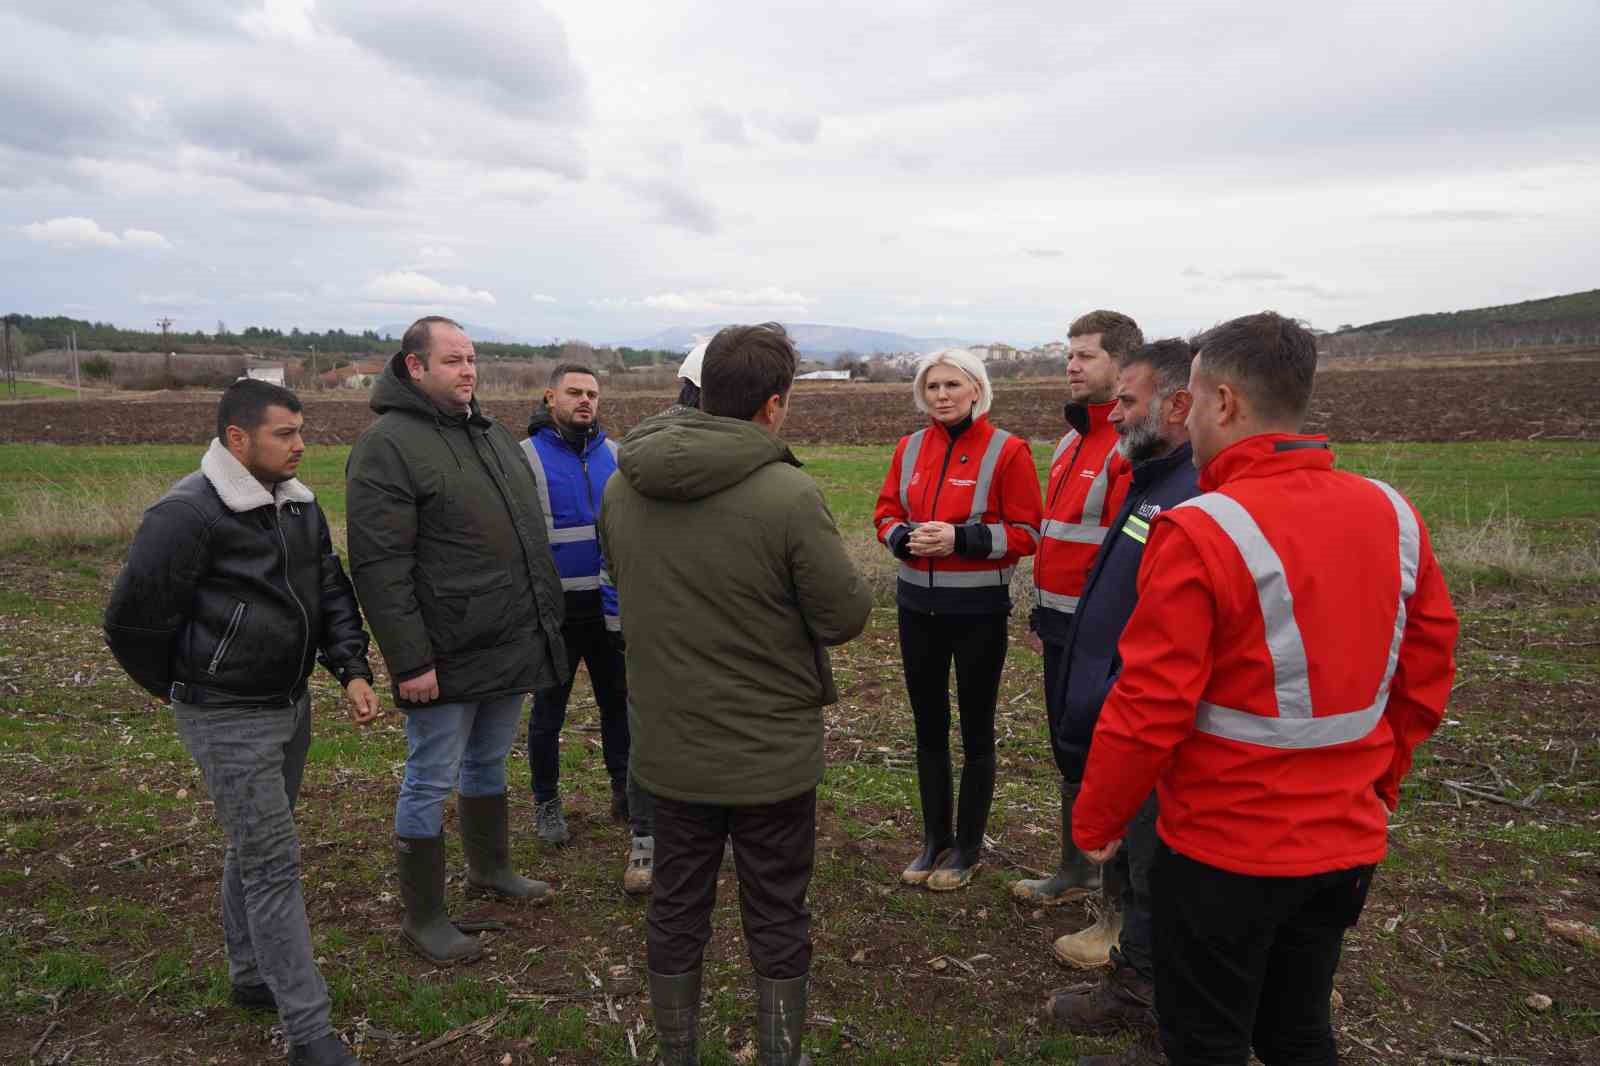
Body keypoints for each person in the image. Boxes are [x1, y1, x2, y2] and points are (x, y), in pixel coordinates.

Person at [1072, 312, 1460, 1065]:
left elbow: (1150, 704)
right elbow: (1426, 673)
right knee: (1298, 1029)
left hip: (1223, 849)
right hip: (1345, 843)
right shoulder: (1394, 513)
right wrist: (1382, 778)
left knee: (1205, 1038)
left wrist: (1098, 818)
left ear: (1222, 403)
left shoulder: (1200, 528)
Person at [601, 323, 871, 1066]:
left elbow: (626, 587)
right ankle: (781, 1053)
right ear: (774, 405)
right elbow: (843, 616)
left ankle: (676, 1051)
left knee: (676, 904)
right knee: (778, 908)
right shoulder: (787, 492)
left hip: (671, 748)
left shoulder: (623, 484)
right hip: (768, 756)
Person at [105, 379, 377, 1066]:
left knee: (257, 845)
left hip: (289, 704)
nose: (301, 444)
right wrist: (189, 685)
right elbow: (132, 622)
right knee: (273, 864)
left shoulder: (298, 508)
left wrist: (350, 668)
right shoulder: (186, 515)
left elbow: (330, 588)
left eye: (301, 430)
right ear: (237, 439)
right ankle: (309, 1032)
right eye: (285, 433)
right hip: (226, 713)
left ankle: (252, 974)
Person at [346, 316, 568, 965]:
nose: (467, 370)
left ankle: (489, 869)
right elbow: (380, 565)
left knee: (488, 761)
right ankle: (424, 917)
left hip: (505, 640)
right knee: (429, 776)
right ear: (414, 368)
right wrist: (410, 660)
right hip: (441, 652)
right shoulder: (388, 445)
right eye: (452, 361)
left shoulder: (489, 433)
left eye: (471, 359)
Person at [1038, 340, 1200, 1039]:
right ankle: (1139, 982)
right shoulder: (1152, 479)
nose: (1118, 413)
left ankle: (1148, 994)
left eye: (1128, 401)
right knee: (1145, 857)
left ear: (1179, 404)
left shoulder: (1189, 494)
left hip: (1148, 717)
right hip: (1112, 697)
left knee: (1156, 861)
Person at [873, 349, 1044, 891]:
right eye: (932, 387)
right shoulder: (910, 448)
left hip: (977, 613)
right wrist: (901, 537)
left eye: (952, 385)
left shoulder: (1007, 450)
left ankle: (967, 847)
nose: (941, 395)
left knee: (976, 731)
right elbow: (884, 513)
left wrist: (959, 538)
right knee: (928, 729)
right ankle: (933, 840)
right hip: (915, 609)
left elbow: (1028, 534)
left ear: (977, 389)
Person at [1014, 310, 1145, 913]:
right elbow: (1058, 538)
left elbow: (1125, 560)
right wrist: (1043, 616)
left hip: (1105, 637)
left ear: (1121, 364)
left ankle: (1117, 907)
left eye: (1086, 355)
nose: (1071, 365)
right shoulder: (1071, 441)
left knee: (1107, 759)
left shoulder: (1128, 447)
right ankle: (1077, 870)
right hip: (1061, 625)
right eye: (1069, 354)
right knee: (1068, 748)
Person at [520, 363, 655, 894]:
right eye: (574, 392)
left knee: (618, 704)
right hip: (554, 611)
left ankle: (623, 793)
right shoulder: (525, 457)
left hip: (608, 608)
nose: (585, 401)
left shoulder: (618, 456)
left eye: (592, 394)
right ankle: (547, 802)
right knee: (547, 712)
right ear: (550, 395)